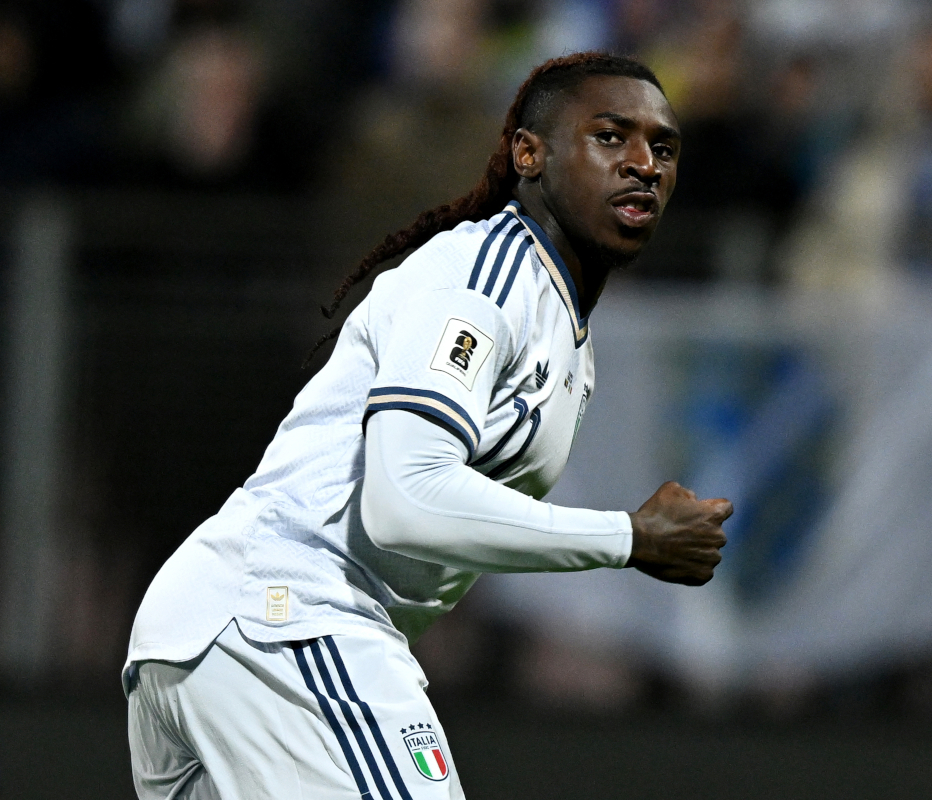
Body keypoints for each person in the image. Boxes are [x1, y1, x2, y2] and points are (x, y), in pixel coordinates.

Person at [124, 52, 732, 799]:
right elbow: (405, 498)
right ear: (528, 154)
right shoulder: (486, 280)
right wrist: (627, 538)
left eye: (663, 148)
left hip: (233, 631)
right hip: (287, 615)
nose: (643, 163)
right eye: (611, 137)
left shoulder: (560, 324)